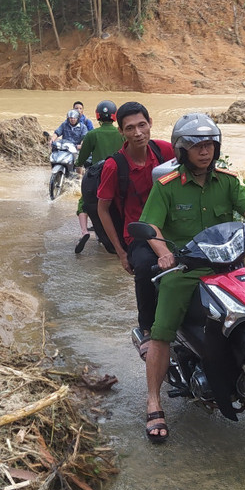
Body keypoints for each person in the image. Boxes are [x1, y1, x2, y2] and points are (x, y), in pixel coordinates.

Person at [136, 113, 245, 443]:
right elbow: (152, 226)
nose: (204, 151)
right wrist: (164, 253)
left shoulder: (228, 182)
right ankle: (154, 402)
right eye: (196, 146)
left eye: (209, 145)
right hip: (185, 271)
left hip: (228, 266)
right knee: (162, 332)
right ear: (182, 150)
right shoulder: (166, 187)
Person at [96, 102, 173, 350]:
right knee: (145, 267)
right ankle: (147, 329)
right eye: (130, 128)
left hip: (169, 228)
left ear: (150, 123)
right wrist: (121, 253)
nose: (138, 133)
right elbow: (103, 209)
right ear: (121, 131)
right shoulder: (114, 166)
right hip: (138, 234)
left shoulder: (164, 151)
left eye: (142, 125)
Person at [74, 100, 125, 252]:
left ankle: (84, 231)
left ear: (97, 116)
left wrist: (77, 163)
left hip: (98, 178)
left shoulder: (92, 134)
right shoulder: (122, 133)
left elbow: (82, 158)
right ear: (115, 116)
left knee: (83, 202)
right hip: (119, 176)